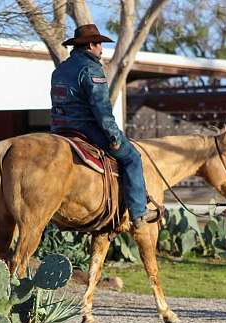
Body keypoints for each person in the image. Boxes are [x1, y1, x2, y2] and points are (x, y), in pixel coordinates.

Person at [50, 24, 159, 228]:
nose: (102, 49)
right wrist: (114, 137)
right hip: (86, 129)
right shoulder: (92, 69)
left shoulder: (61, 69)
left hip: (59, 130)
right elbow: (101, 109)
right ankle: (139, 212)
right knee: (132, 157)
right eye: (99, 44)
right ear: (90, 45)